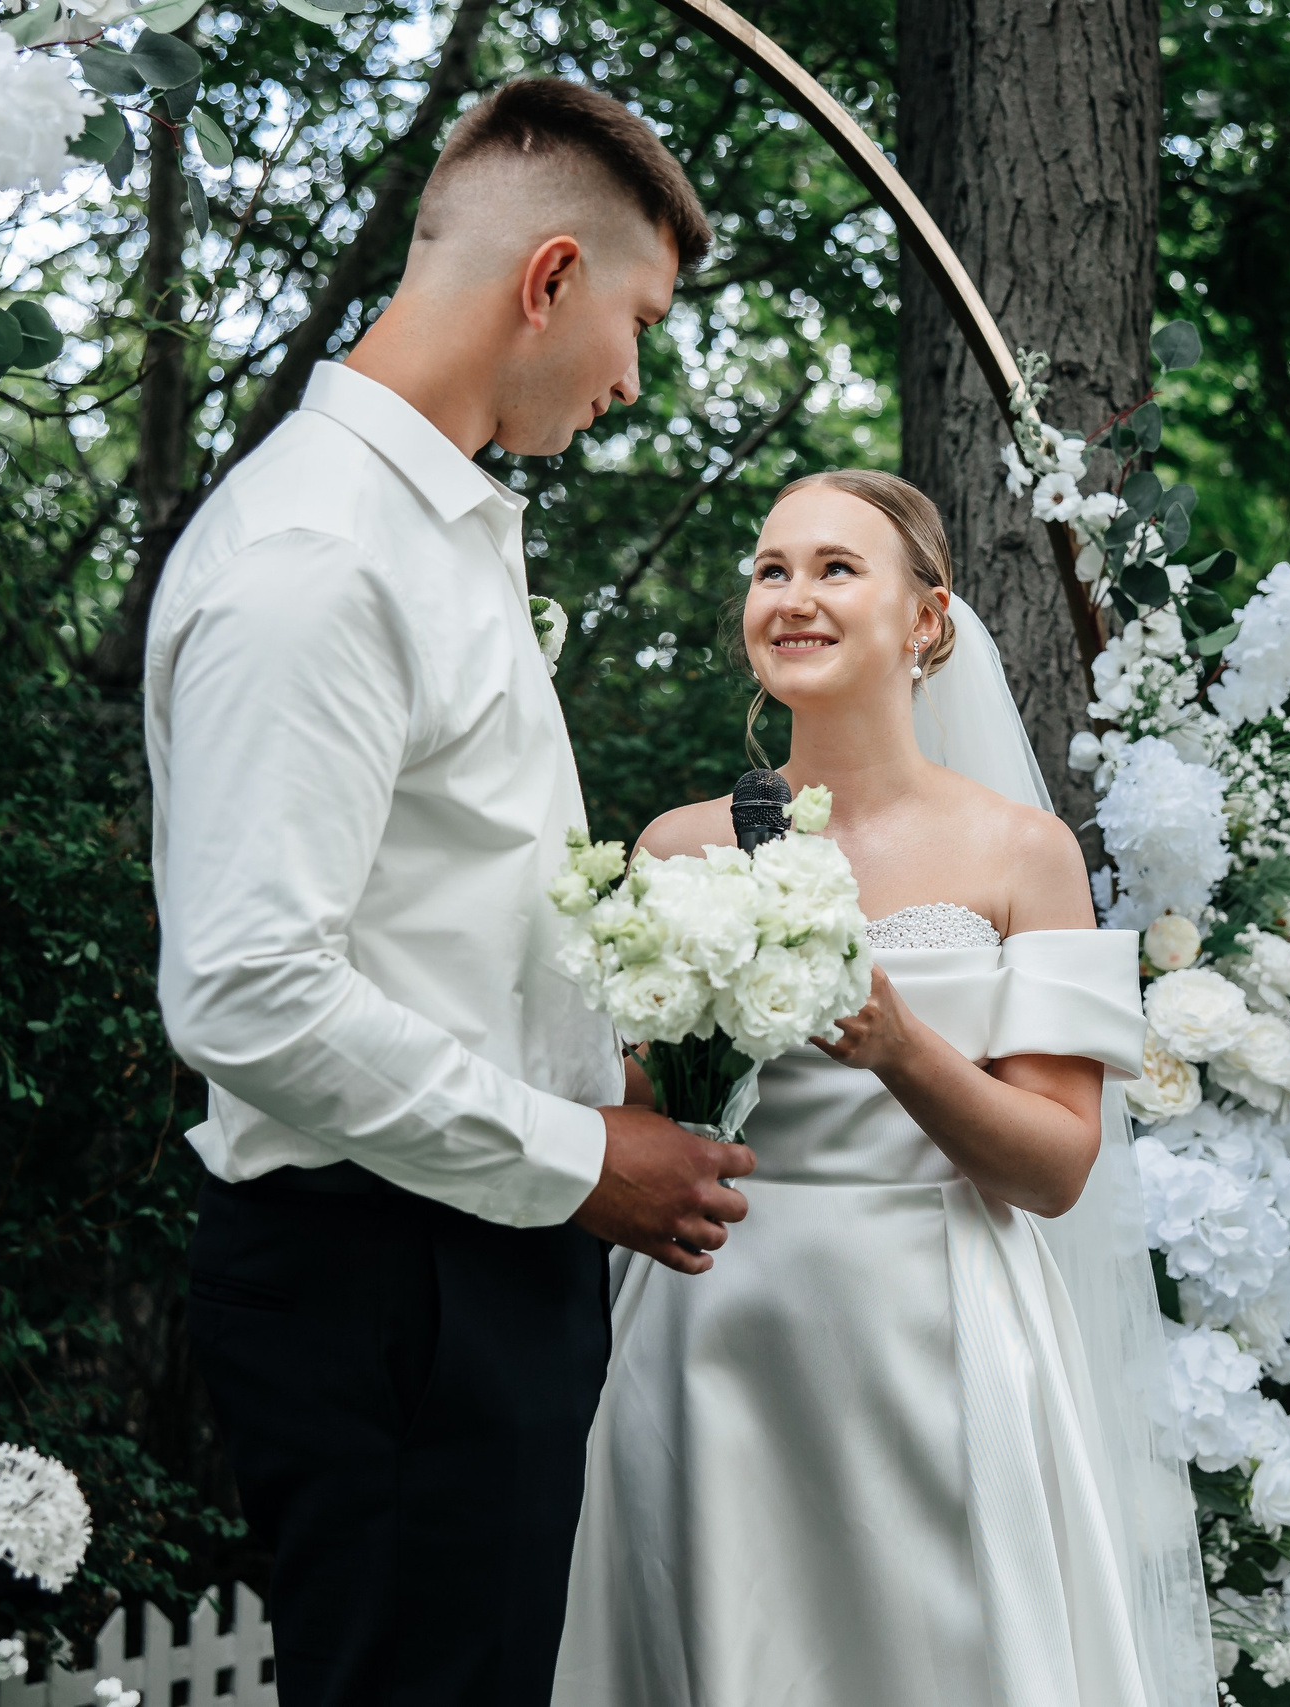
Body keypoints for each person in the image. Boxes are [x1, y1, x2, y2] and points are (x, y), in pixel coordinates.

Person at [143, 80, 756, 1707]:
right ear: (548, 278)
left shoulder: (438, 536)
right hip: (390, 1279)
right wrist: (578, 1158)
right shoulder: (319, 558)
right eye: (639, 321)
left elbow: (436, 896)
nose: (634, 376)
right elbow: (249, 986)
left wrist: (595, 1063)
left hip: (465, 1256)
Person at [552, 472, 1219, 1707]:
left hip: (936, 1339)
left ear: (928, 618)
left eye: (834, 569)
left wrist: (905, 1049)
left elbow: (1057, 1168)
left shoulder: (1023, 853)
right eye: (770, 570)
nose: (792, 597)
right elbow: (630, 1106)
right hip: (713, 1333)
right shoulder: (677, 847)